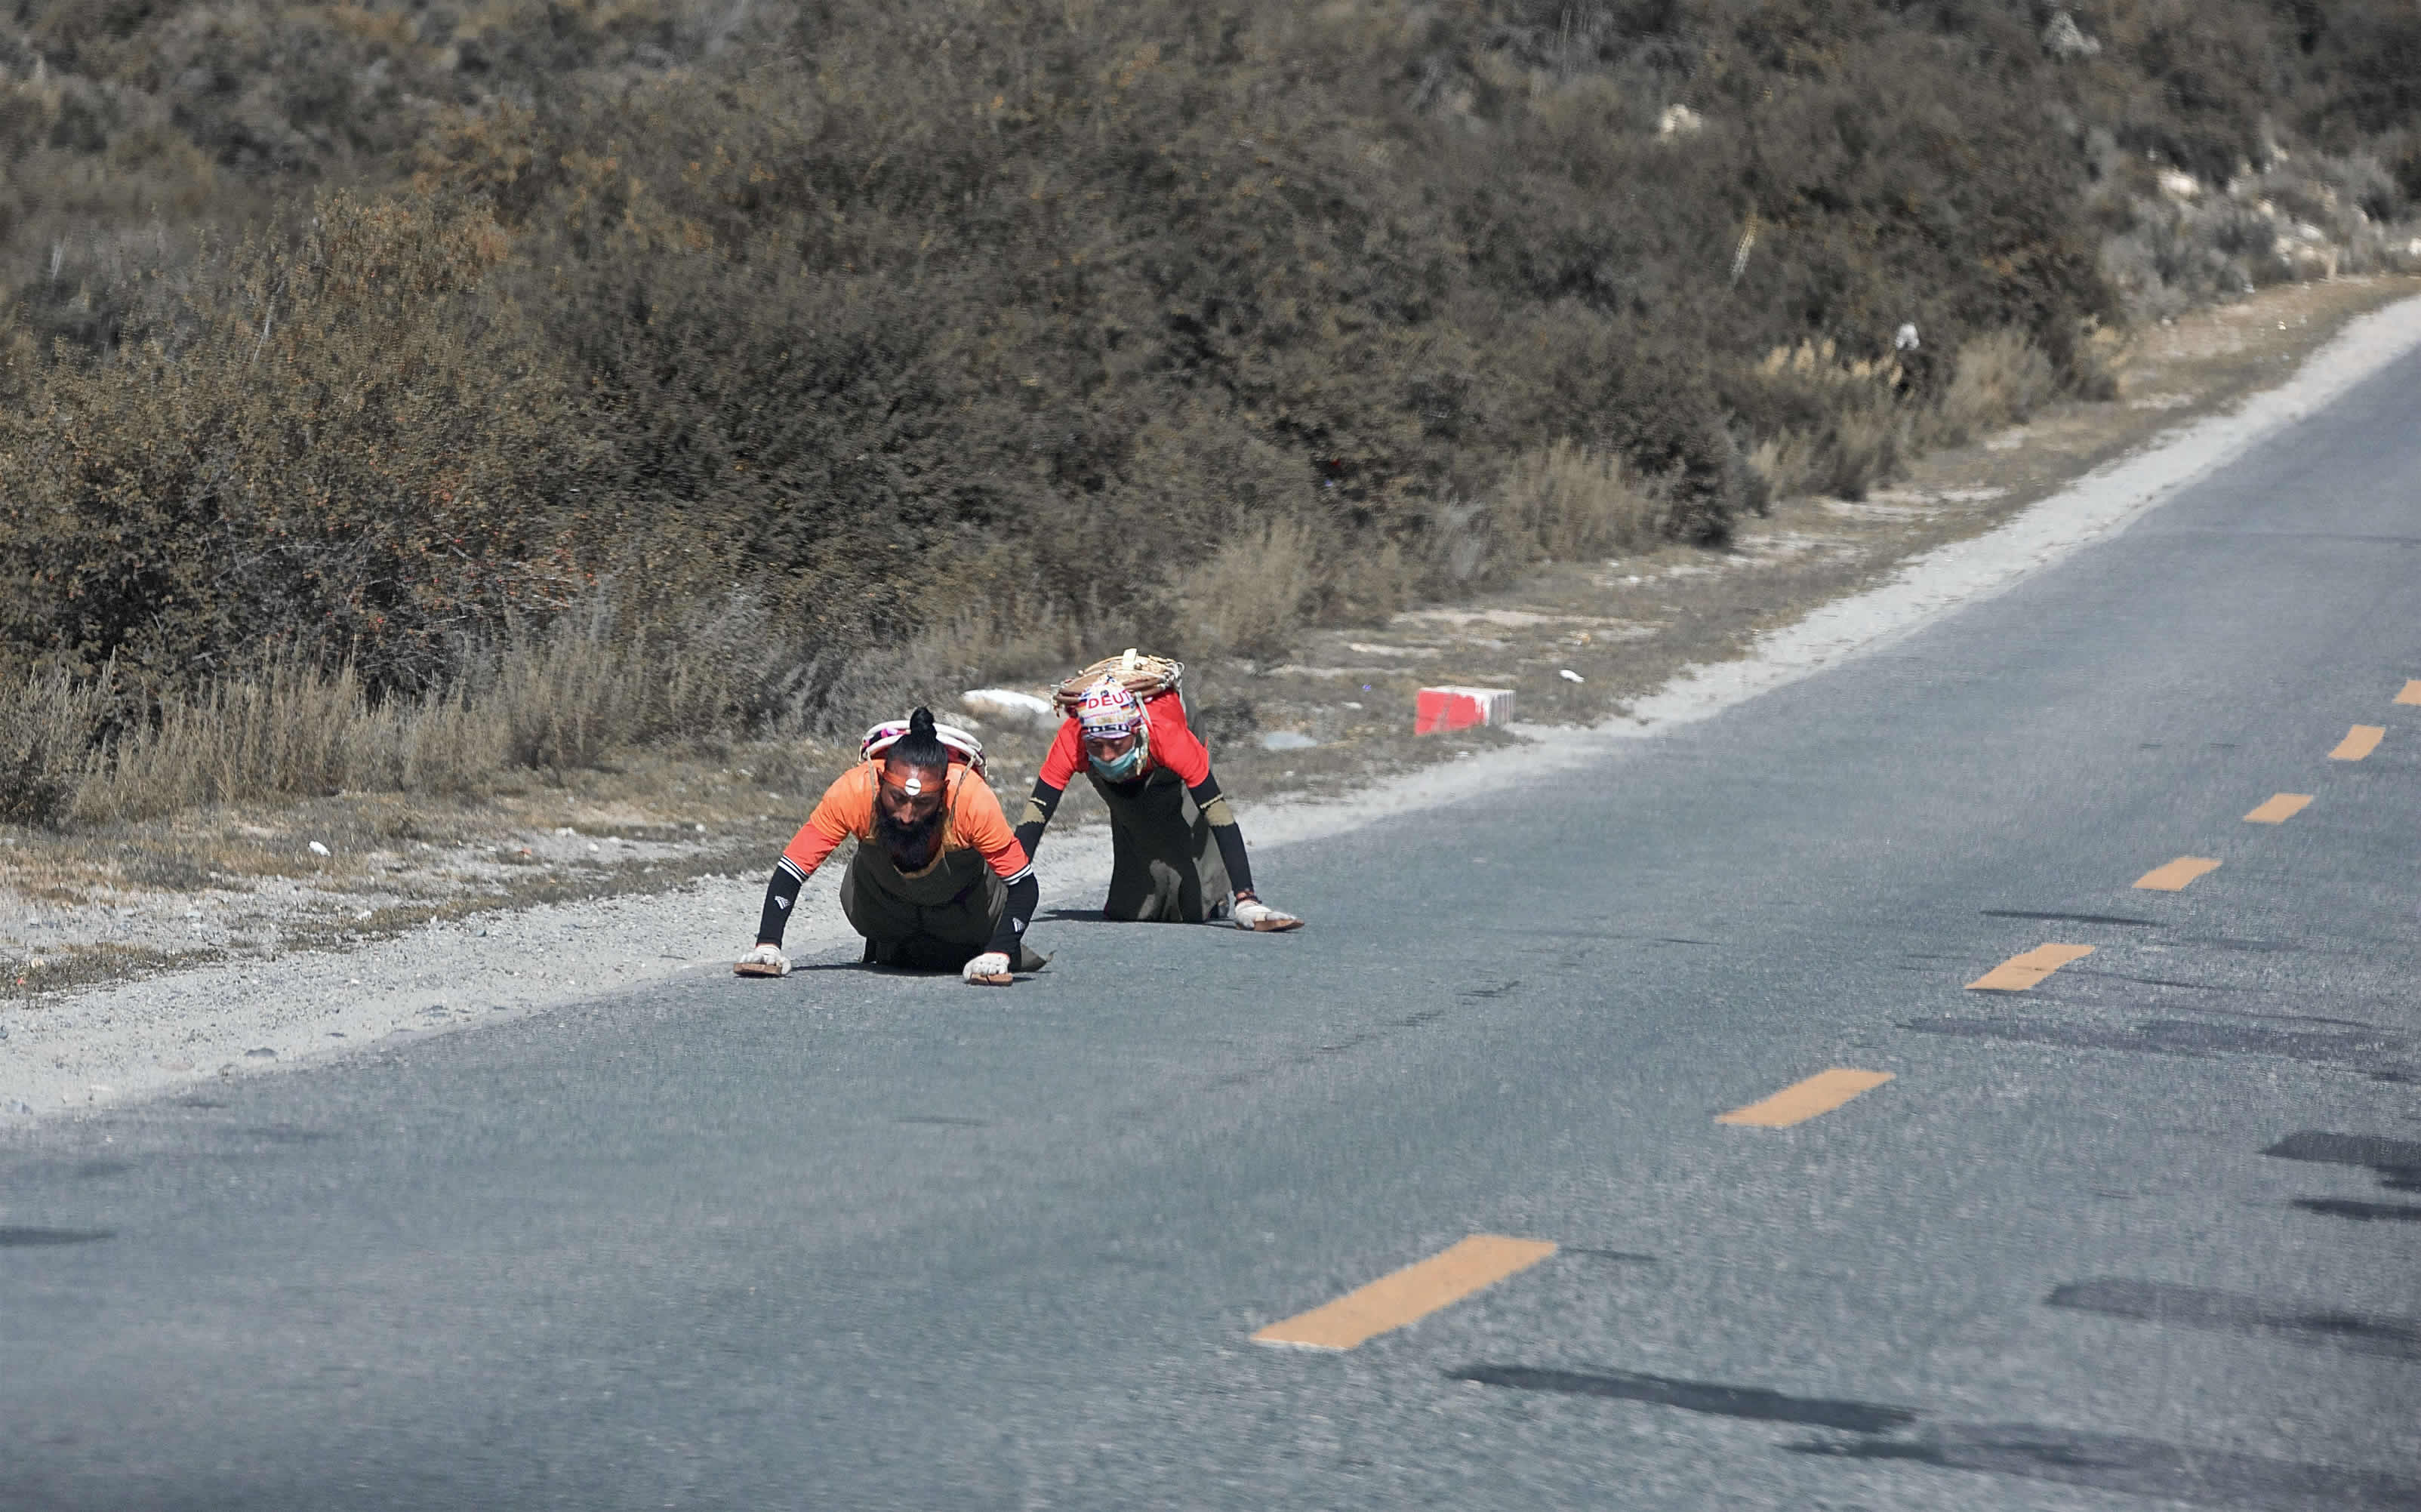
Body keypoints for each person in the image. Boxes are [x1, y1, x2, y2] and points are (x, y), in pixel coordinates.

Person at [735, 708, 1043, 984]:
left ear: (944, 793)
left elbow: (1025, 886)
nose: (907, 815)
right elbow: (792, 868)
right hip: (883, 915)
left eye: (923, 803)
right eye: (897, 799)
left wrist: (1000, 951)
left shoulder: (971, 798)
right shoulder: (855, 789)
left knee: (952, 953)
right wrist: (768, 944)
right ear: (881, 782)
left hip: (969, 917)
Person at [1014, 657, 1301, 931]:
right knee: (1130, 911)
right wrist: (1007, 892)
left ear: (1136, 731)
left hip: (1174, 731)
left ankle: (1219, 894)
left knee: (1192, 906)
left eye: (1116, 743)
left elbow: (1218, 813)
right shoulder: (1075, 737)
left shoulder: (1170, 737)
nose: (1108, 755)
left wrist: (1247, 901)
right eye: (1097, 746)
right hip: (1133, 770)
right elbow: (1037, 814)